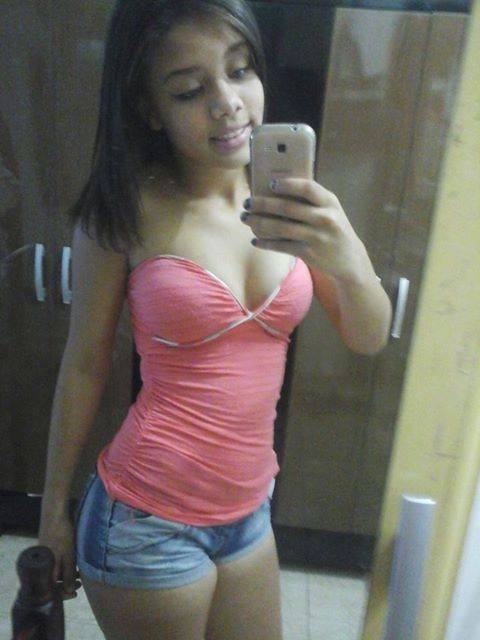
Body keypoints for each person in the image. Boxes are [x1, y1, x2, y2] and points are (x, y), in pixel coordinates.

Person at [38, 1, 392, 639]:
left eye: (239, 69)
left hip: (248, 511)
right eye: (189, 90)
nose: (228, 103)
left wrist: (349, 258)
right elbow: (86, 364)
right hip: (145, 520)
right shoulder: (123, 211)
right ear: (150, 108)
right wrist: (52, 512)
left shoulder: (291, 204)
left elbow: (367, 337)